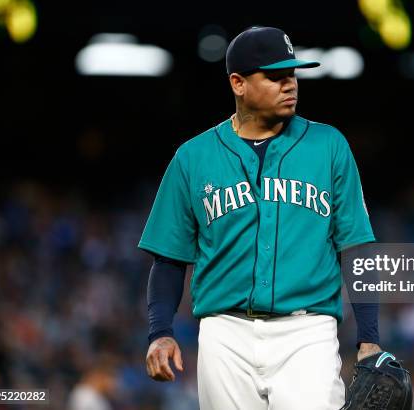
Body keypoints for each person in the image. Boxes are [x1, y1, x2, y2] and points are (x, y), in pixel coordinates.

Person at [139, 26, 382, 410]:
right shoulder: (193, 157)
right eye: (275, 76)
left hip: (307, 330)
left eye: (293, 75)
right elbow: (169, 258)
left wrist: (369, 338)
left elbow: (357, 247)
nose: (290, 85)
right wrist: (160, 332)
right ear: (238, 83)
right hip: (224, 333)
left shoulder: (329, 146)